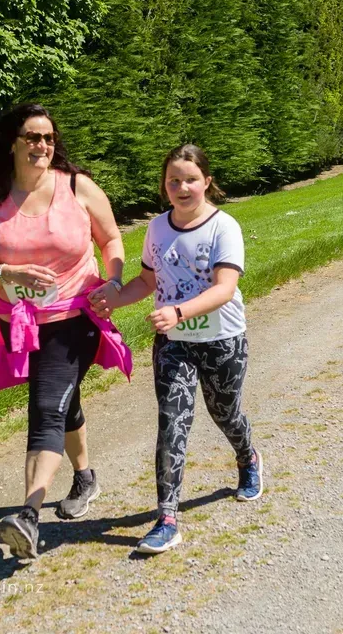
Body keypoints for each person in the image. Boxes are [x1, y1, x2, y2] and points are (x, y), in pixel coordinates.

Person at [0, 103, 129, 560]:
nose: (42, 145)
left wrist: (113, 283)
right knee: (62, 399)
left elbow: (111, 239)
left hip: (74, 317)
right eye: (32, 137)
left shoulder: (77, 187)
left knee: (45, 406)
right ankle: (85, 477)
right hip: (18, 323)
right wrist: (9, 272)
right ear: (13, 142)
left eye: (48, 138)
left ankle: (29, 517)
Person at [90, 143, 262, 555]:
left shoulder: (225, 228)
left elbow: (225, 289)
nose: (182, 187)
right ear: (165, 186)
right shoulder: (157, 228)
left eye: (190, 179)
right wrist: (114, 297)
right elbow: (148, 282)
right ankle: (167, 518)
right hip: (175, 345)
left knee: (225, 413)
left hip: (222, 339)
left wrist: (179, 311)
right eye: (173, 181)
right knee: (172, 424)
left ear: (207, 182)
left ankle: (248, 458)